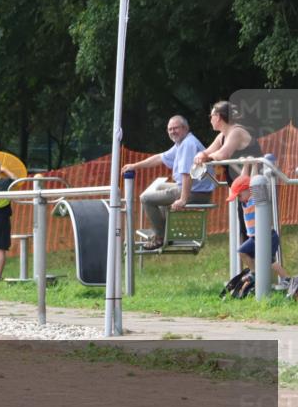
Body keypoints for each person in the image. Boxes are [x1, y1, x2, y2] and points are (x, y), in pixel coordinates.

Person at [121, 115, 214, 249]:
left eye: (175, 128)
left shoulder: (188, 144)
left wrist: (183, 199)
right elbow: (160, 158)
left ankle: (160, 236)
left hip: (195, 192)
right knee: (160, 187)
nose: (172, 132)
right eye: (169, 129)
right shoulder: (182, 143)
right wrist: (135, 166)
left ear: (185, 128)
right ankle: (165, 232)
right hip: (195, 188)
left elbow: (187, 174)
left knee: (145, 198)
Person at [193, 100, 262, 240]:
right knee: (247, 244)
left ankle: (268, 262)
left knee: (253, 244)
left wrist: (206, 158)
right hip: (243, 193)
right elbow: (207, 152)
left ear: (218, 116)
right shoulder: (223, 135)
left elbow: (223, 154)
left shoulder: (236, 132)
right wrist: (201, 156)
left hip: (255, 192)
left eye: (210, 116)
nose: (210, 119)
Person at [225, 168, 293, 295]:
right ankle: (255, 273)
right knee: (243, 252)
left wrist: (255, 166)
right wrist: (247, 164)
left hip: (267, 236)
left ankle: (287, 279)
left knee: (268, 260)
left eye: (239, 195)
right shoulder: (245, 200)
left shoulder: (255, 199)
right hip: (255, 237)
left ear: (249, 190)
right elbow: (245, 180)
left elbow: (253, 182)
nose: (239, 199)